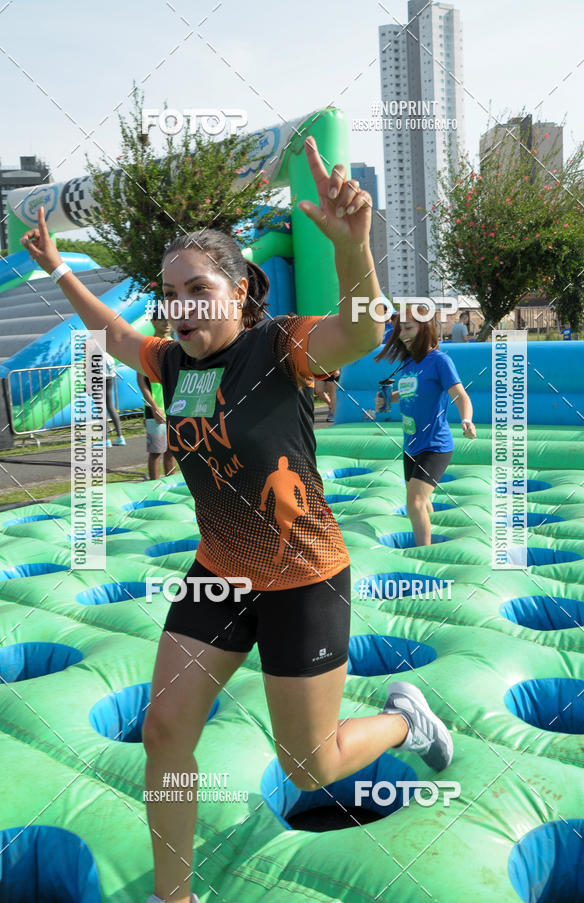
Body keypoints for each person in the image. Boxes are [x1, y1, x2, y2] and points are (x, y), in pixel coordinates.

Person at [21, 137, 455, 903]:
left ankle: (404, 721)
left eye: (197, 288)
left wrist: (352, 245)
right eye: (169, 293)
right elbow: (116, 333)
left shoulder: (278, 346)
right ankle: (174, 896)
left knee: (309, 766)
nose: (180, 306)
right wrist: (59, 268)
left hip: (303, 578)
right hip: (219, 574)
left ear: (239, 289)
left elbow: (359, 332)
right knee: (164, 729)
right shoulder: (172, 363)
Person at [374, 307, 476, 546]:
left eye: (408, 328)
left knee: (415, 502)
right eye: (400, 330)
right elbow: (411, 391)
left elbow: (460, 395)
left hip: (434, 446)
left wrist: (466, 419)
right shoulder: (409, 363)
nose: (402, 335)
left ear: (424, 328)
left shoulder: (439, 361)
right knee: (422, 500)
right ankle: (433, 537)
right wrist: (387, 399)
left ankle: (424, 553)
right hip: (411, 446)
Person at [136, 310, 177, 480]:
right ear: (153, 322)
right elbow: (141, 380)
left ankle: (169, 486)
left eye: (169, 319)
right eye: (161, 319)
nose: (166, 322)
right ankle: (154, 487)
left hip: (175, 408)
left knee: (172, 451)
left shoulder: (176, 345)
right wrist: (154, 407)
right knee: (156, 451)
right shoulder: (147, 346)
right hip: (156, 408)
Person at [84, 337, 126, 446]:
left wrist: (86, 382)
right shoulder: (103, 341)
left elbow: (87, 364)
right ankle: (120, 437)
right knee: (110, 406)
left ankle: (105, 440)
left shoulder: (89, 342)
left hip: (97, 376)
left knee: (101, 409)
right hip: (109, 374)